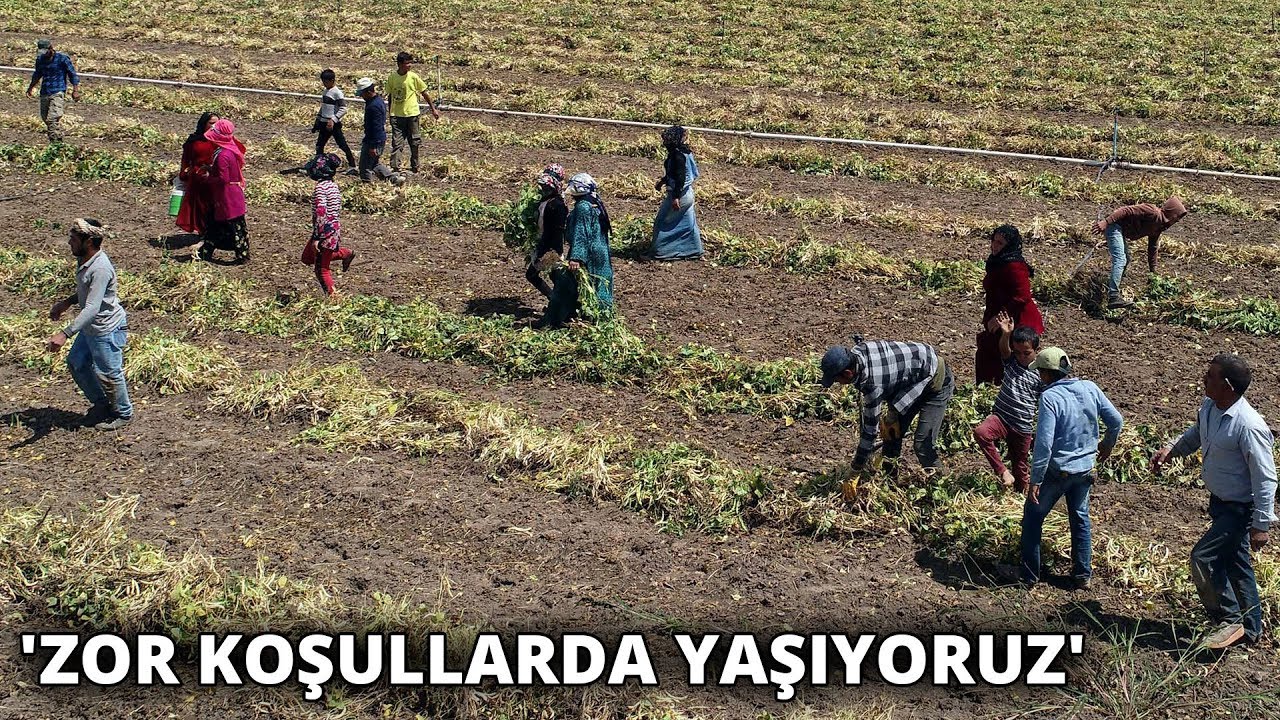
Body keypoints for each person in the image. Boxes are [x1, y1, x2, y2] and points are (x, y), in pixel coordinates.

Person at [1151, 354, 1276, 650]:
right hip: (1219, 503)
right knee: (1236, 564)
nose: (1204, 379)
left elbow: (1266, 478)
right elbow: (1197, 434)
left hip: (1240, 509)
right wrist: (1171, 449)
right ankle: (1250, 630)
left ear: (1228, 386)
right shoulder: (1210, 407)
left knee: (1203, 558)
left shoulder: (1249, 426)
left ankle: (1228, 619)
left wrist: (1261, 524)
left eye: (1210, 376)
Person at [1020, 347, 1122, 589]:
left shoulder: (1050, 397)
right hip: (1085, 469)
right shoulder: (1090, 388)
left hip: (1058, 471)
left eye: (1040, 372)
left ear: (1046, 374)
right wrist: (1107, 445)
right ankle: (1082, 574)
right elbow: (1116, 421)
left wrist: (1036, 479)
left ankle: (1029, 575)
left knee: (1033, 517)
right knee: (1080, 518)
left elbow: (1044, 443)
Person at [820, 337, 955, 480]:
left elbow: (870, 433)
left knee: (922, 444)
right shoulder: (858, 352)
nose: (838, 383)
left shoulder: (873, 384)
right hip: (912, 380)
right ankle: (889, 480)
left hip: (935, 381)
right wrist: (892, 414)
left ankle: (942, 483)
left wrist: (855, 469)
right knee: (890, 435)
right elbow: (893, 379)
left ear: (848, 373)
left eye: (837, 380)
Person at [44, 219, 133, 431]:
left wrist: (65, 334)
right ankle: (102, 405)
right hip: (90, 327)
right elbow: (88, 291)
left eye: (74, 239)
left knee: (109, 373)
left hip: (105, 329)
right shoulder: (85, 259)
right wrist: (67, 302)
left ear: (89, 242)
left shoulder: (100, 268)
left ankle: (123, 413)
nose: (69, 243)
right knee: (77, 363)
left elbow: (93, 308)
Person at [973, 314, 1043, 492]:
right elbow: (1004, 350)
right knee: (981, 433)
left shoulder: (1041, 374)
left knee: (1020, 465)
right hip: (1002, 418)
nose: (1021, 357)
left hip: (1022, 427)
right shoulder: (1012, 363)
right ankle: (1002, 471)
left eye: (1026, 353)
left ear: (1036, 350)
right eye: (1017, 352)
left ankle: (1022, 494)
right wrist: (1006, 334)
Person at [1091, 196, 1187, 309]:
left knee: (1126, 260)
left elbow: (1152, 248)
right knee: (1121, 260)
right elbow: (1126, 210)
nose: (1177, 220)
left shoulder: (1158, 227)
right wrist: (1106, 222)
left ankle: (1112, 287)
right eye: (1177, 217)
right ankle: (1113, 296)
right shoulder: (1152, 211)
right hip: (1114, 226)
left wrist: (1153, 272)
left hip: (1121, 230)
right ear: (1171, 213)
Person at [976, 224, 1043, 385]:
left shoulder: (1014, 266)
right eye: (993, 241)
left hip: (1017, 319)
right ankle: (989, 387)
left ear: (1009, 245)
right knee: (989, 352)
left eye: (1000, 243)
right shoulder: (997, 261)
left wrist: (998, 318)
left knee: (1010, 356)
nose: (994, 245)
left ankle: (1008, 388)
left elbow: (1022, 296)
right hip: (1002, 315)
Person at [301, 153, 355, 296]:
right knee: (307, 257)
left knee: (322, 269)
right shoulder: (333, 185)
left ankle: (333, 297)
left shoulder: (320, 188)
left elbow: (321, 212)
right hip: (332, 228)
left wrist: (317, 237)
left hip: (324, 231)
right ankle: (345, 253)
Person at [564, 173, 615, 316]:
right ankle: (603, 314)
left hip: (590, 252)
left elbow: (581, 232)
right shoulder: (595, 202)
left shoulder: (583, 207)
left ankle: (586, 314)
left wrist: (577, 257)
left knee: (587, 283)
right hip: (601, 249)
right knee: (601, 282)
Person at [651, 125, 703, 261]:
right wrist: (663, 181)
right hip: (688, 193)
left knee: (663, 222)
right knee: (688, 222)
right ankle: (693, 250)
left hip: (680, 194)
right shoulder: (685, 152)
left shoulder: (677, 156)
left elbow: (680, 177)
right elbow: (676, 173)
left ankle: (662, 252)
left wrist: (675, 197)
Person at [384, 51, 440, 174]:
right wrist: (390, 112)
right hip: (397, 116)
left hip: (412, 114)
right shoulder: (392, 77)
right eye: (406, 63)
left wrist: (433, 109)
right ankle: (395, 167)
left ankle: (415, 166)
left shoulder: (413, 77)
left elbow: (424, 93)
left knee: (414, 142)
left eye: (410, 63)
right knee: (397, 142)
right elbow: (390, 95)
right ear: (399, 64)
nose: (409, 65)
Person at [202, 118, 249, 263]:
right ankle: (241, 255)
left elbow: (223, 179)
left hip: (227, 197)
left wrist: (208, 178)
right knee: (236, 227)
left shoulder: (222, 155)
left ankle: (206, 253)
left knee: (220, 226)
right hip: (234, 195)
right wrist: (211, 169)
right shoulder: (230, 151)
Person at [525, 165, 568, 298]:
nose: (544, 190)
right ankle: (559, 301)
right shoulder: (546, 201)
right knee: (555, 277)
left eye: (546, 188)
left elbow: (555, 232)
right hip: (546, 246)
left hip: (551, 249)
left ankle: (557, 301)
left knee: (534, 275)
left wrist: (544, 251)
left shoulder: (557, 205)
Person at [26, 38, 80, 143]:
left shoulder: (62, 59)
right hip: (45, 91)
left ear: (51, 48)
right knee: (46, 119)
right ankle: (58, 140)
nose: (44, 54)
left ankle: (55, 143)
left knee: (53, 118)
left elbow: (72, 74)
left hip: (58, 91)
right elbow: (37, 74)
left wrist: (75, 90)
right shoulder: (40, 59)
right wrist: (30, 88)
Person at [176, 112, 219, 236]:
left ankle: (211, 232)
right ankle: (203, 233)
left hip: (215, 177)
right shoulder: (194, 140)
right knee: (200, 206)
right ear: (204, 124)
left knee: (214, 205)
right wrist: (183, 173)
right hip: (197, 177)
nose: (214, 126)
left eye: (217, 123)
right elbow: (186, 158)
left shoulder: (221, 139)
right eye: (211, 123)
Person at [354, 78, 402, 185]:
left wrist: (373, 146)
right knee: (374, 163)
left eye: (362, 94)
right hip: (379, 138)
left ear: (368, 92)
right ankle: (393, 179)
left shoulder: (373, 106)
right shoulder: (378, 101)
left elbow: (375, 127)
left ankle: (366, 186)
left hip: (373, 140)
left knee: (365, 166)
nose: (362, 97)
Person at [313, 69, 357, 168]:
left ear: (332, 80)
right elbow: (324, 107)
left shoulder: (337, 93)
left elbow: (343, 109)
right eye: (323, 81)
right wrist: (318, 119)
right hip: (324, 122)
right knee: (319, 145)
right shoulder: (325, 92)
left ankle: (352, 164)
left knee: (342, 144)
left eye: (326, 82)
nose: (324, 84)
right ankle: (318, 165)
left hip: (333, 124)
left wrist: (333, 119)